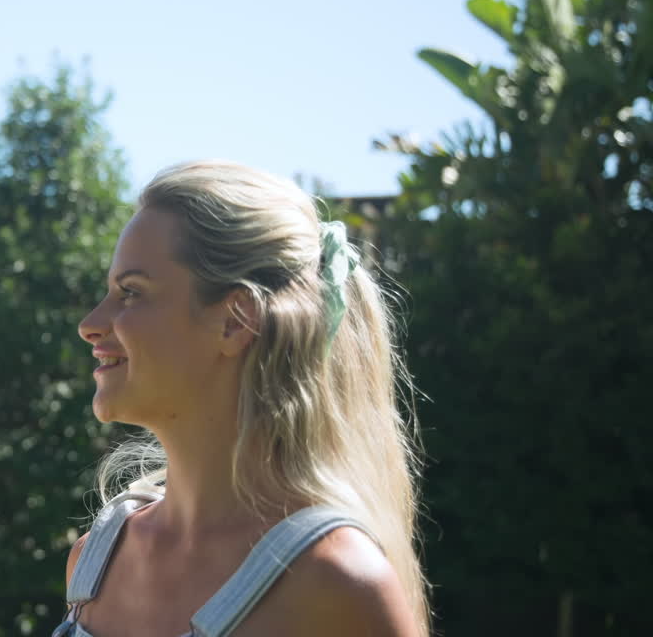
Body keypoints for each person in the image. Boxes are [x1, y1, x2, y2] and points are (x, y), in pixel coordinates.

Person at [56, 162, 428, 636]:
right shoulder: (95, 562)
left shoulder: (337, 585)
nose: (90, 322)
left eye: (131, 292)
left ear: (235, 321)